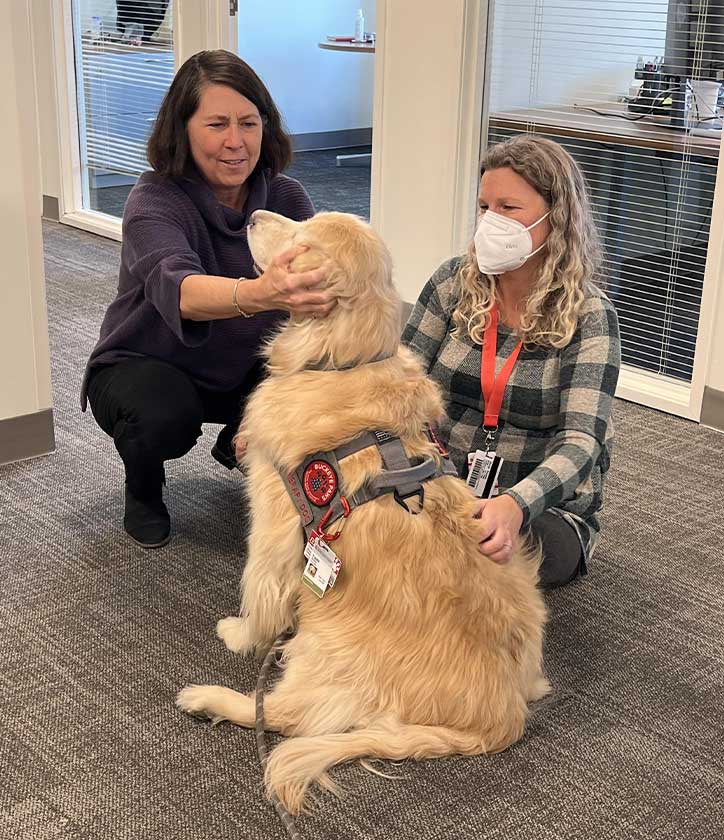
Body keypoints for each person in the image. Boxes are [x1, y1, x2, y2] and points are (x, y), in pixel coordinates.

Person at [81, 50, 336, 549]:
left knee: (323, 385)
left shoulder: (287, 197)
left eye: (249, 122)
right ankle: (144, 487)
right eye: (217, 124)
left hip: (244, 365)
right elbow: (182, 291)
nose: (235, 142)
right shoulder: (154, 199)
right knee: (160, 416)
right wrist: (263, 293)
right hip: (150, 361)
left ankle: (238, 439)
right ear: (183, 129)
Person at [402, 135, 621, 587]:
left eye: (509, 208)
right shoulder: (452, 282)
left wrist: (515, 504)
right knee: (376, 532)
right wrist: (439, 480)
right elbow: (403, 387)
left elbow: (582, 442)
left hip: (539, 504)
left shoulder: (589, 316)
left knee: (474, 563)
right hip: (441, 479)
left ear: (554, 219)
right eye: (484, 207)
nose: (490, 222)